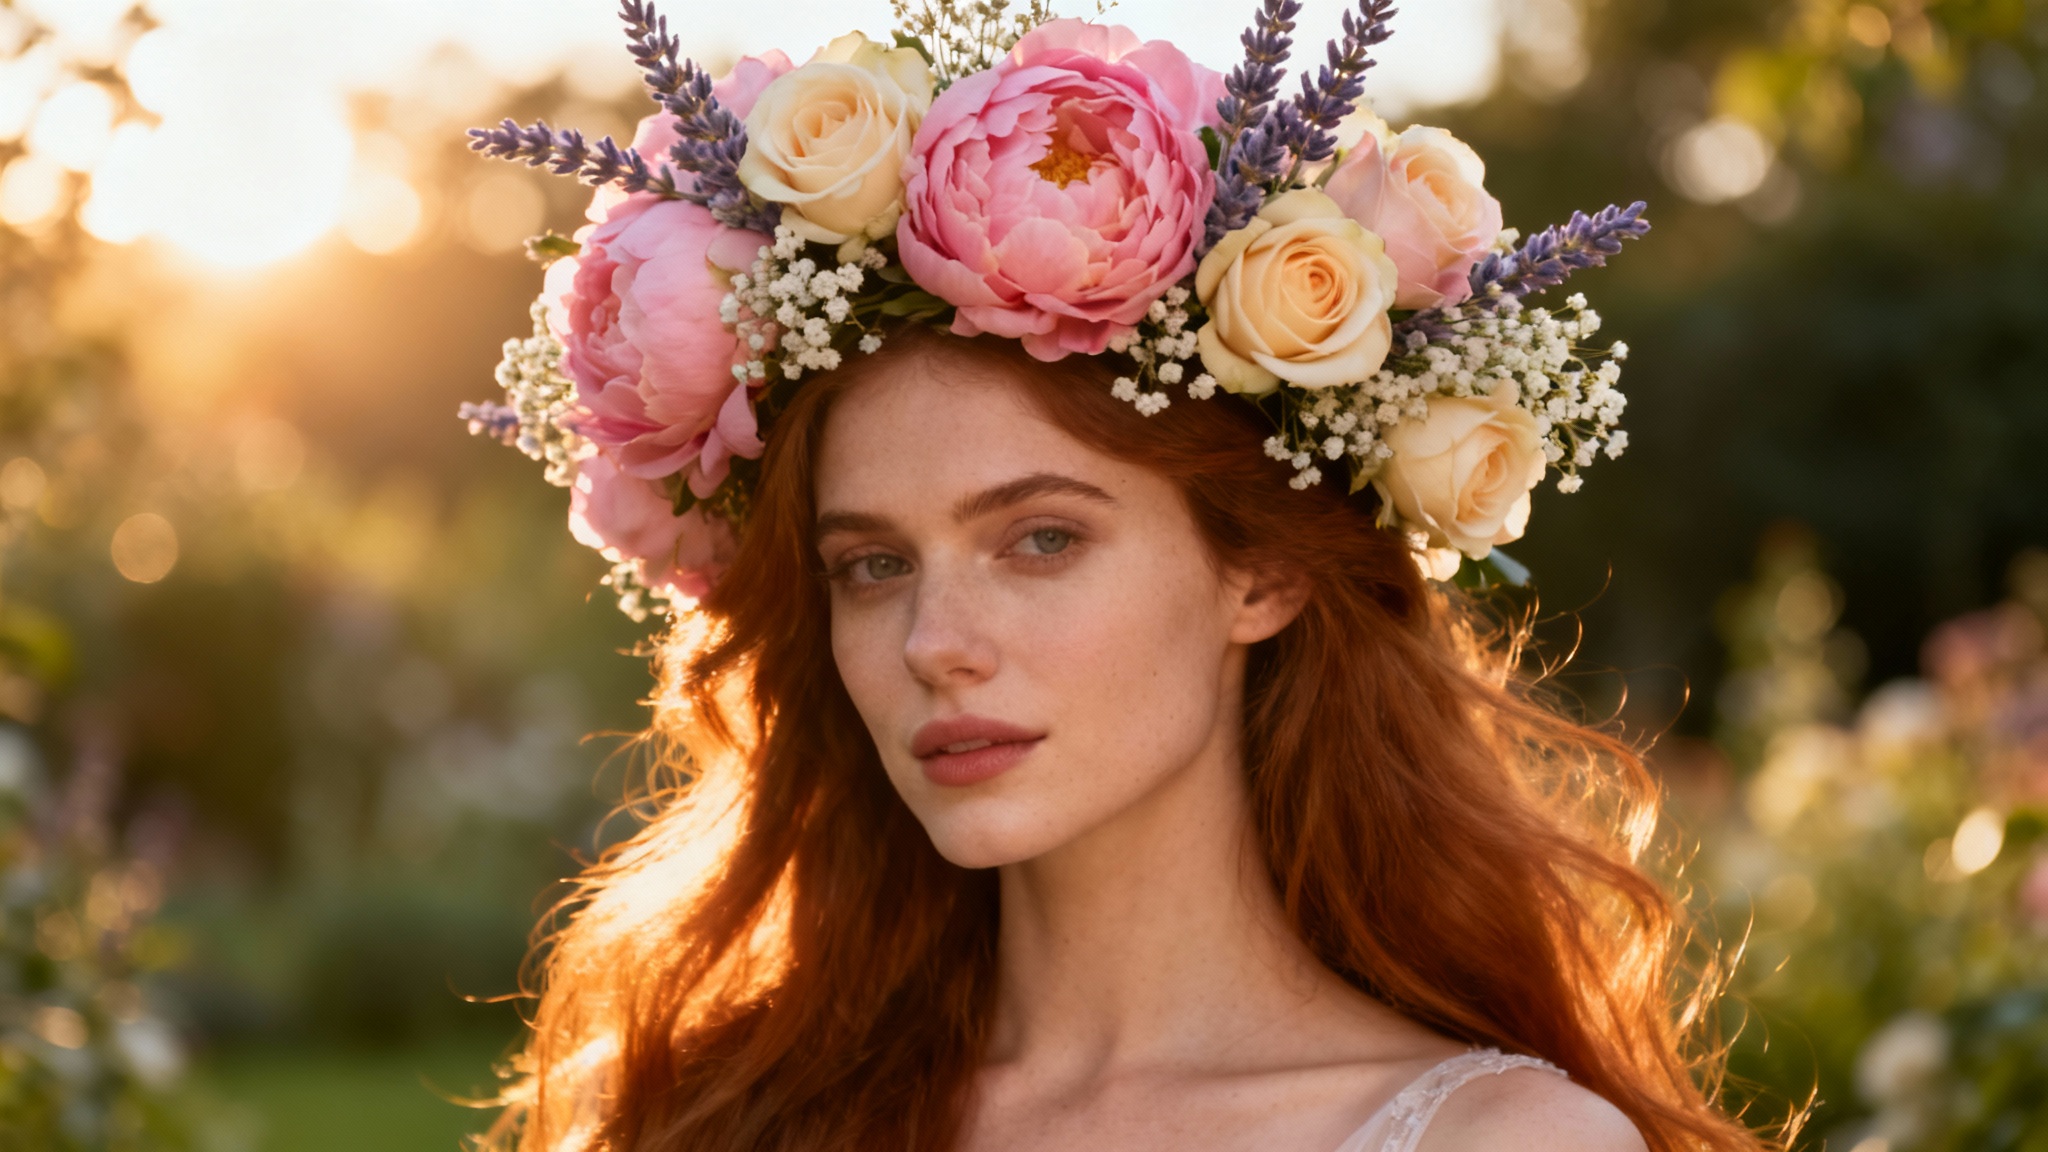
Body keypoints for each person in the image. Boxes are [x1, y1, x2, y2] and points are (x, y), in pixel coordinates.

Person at [459, 5, 1778, 1150]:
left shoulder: (1497, 1145)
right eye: (871, 564)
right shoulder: (732, 1112)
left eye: (1041, 539)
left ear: (1258, 570)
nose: (935, 641)